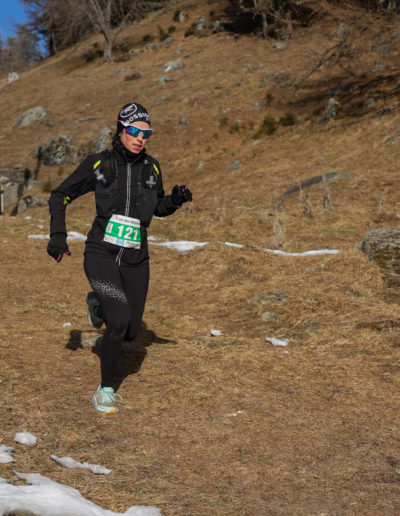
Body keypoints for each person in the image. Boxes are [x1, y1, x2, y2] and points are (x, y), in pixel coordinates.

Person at [47, 102, 192, 414]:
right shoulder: (99, 164)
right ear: (121, 129)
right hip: (101, 253)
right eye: (135, 131)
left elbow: (157, 207)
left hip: (136, 259)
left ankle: (98, 305)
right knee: (118, 322)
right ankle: (105, 390)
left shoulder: (152, 168)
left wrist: (175, 200)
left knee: (131, 331)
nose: (140, 138)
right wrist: (58, 235)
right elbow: (60, 195)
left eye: (146, 133)